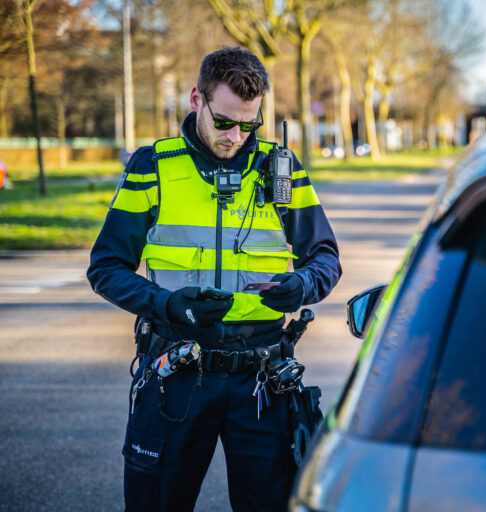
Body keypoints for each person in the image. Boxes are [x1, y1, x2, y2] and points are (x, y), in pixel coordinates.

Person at [87, 46, 341, 511]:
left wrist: (302, 286)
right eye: (224, 121)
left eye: (249, 124)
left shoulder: (282, 171)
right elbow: (105, 268)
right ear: (195, 100)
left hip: (262, 379)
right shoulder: (152, 167)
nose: (236, 136)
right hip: (177, 372)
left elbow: (325, 257)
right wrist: (168, 305)